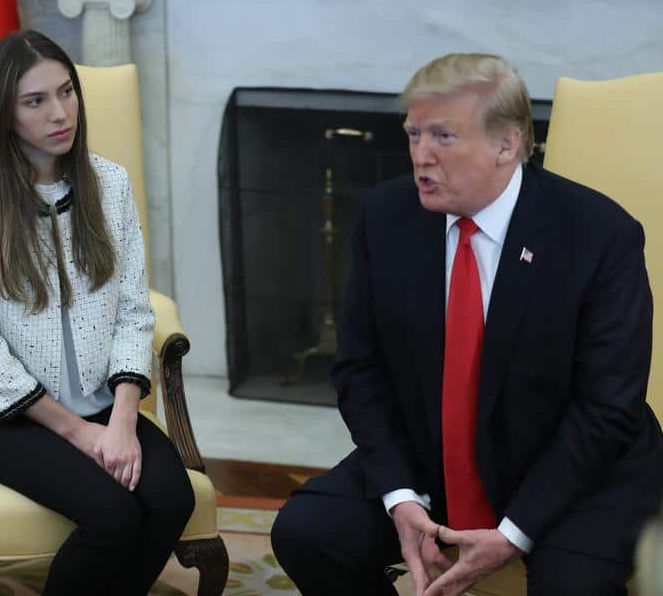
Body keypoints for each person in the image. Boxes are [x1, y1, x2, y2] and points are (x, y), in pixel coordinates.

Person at [271, 53, 663, 596]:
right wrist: (401, 496)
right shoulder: (386, 217)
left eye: (444, 137)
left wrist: (514, 532)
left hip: (574, 472)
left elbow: (606, 408)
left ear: (507, 143)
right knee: (307, 532)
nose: (420, 155)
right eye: (413, 134)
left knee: (572, 586)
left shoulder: (599, 236)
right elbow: (360, 370)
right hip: (434, 456)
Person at [0, 30, 194, 595]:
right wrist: (82, 435)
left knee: (173, 499)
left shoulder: (110, 184)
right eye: (35, 101)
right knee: (114, 516)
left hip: (107, 406)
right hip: (4, 419)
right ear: (4, 113)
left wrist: (124, 420)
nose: (60, 113)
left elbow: (134, 308)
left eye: (67, 92)